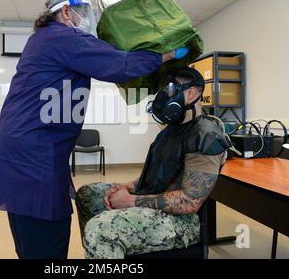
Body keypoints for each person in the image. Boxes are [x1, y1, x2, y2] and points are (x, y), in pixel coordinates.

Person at [0, 0, 185, 259]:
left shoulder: (45, 39)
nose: (87, 19)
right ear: (66, 12)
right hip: (35, 150)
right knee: (45, 228)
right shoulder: (62, 36)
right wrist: (165, 55)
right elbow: (119, 64)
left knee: (32, 221)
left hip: (31, 146)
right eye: (83, 12)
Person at [75, 67, 231, 259]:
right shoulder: (169, 131)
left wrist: (130, 201)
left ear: (191, 93)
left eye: (171, 89)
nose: (164, 95)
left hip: (180, 222)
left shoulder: (206, 136)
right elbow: (158, 175)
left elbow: (190, 202)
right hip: (152, 202)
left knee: (100, 230)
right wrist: (127, 186)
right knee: (87, 195)